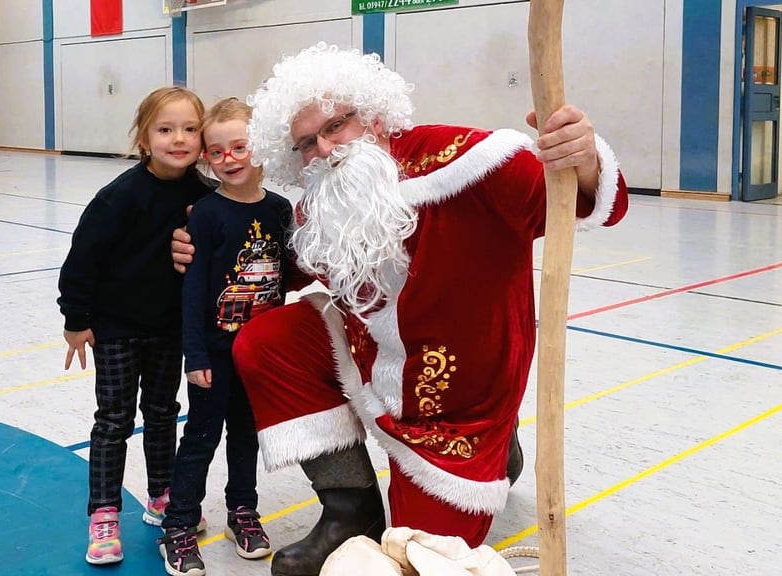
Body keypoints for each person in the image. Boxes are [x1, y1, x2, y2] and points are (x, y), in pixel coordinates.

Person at [172, 42, 629, 576]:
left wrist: (586, 159)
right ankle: (350, 511)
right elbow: (290, 263)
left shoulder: (469, 163)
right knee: (265, 341)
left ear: (374, 116)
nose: (323, 150)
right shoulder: (323, 199)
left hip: (462, 404)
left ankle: (499, 449)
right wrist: (201, 245)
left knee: (421, 553)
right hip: (373, 362)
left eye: (335, 125)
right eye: (304, 144)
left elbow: (598, 202)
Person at [57, 86, 214, 566]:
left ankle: (161, 495)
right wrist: (76, 319)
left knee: (164, 412)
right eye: (166, 129)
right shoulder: (119, 197)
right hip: (117, 328)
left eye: (190, 129)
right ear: (145, 138)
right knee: (114, 420)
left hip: (170, 330)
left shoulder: (206, 197)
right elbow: (83, 259)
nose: (179, 139)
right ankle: (104, 512)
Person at [158, 97, 293, 576]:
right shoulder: (208, 214)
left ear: (262, 150)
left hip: (257, 354)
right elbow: (193, 291)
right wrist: (195, 353)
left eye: (240, 147)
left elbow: (286, 274)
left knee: (246, 437)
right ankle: (178, 524)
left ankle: (243, 512)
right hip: (213, 354)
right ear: (206, 159)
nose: (229, 159)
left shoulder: (280, 210)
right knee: (201, 437)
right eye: (217, 152)